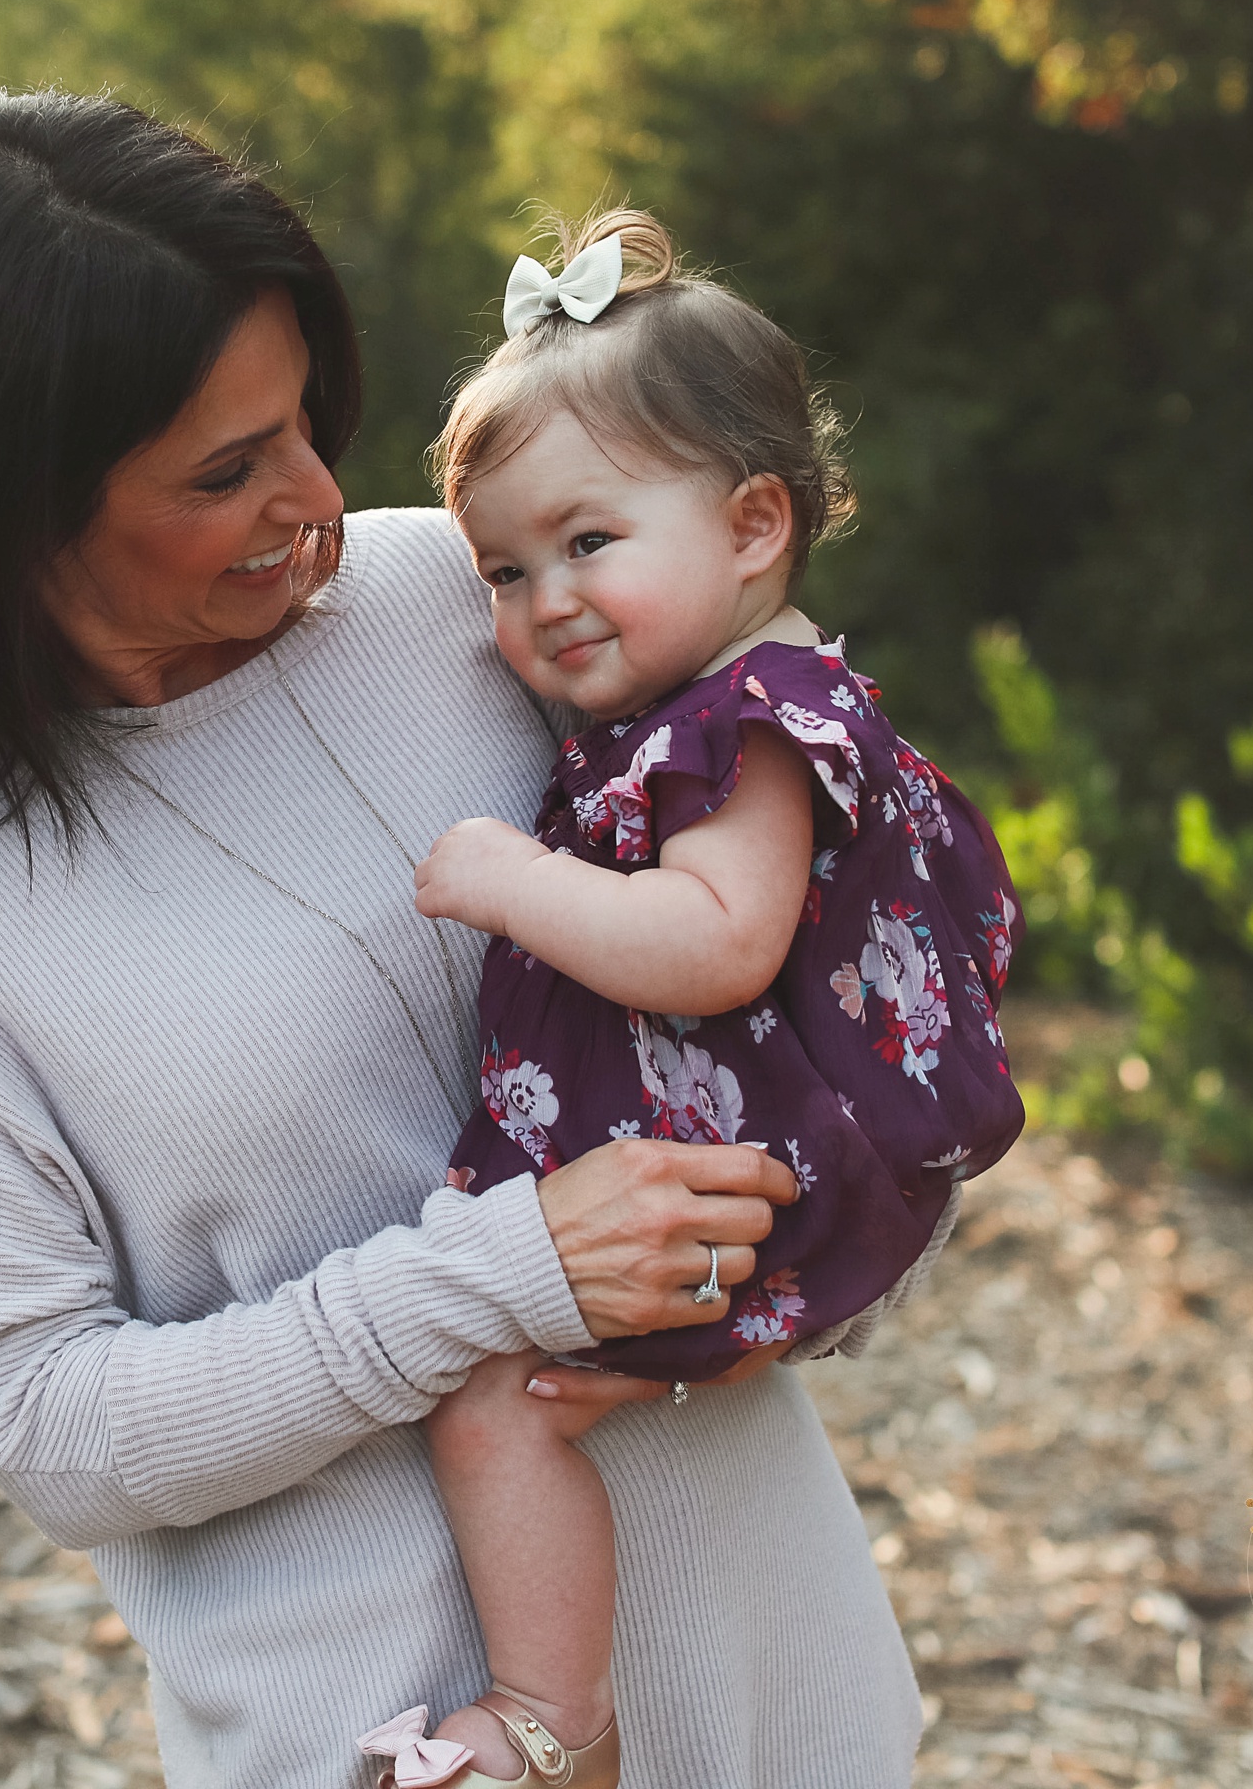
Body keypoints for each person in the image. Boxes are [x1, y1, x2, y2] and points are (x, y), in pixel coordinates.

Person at [0, 89, 936, 1788]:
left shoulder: (463, 609)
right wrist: (500, 1274)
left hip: (767, 1644)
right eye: (227, 471)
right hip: (385, 1729)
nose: (318, 496)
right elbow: (49, 1428)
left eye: (306, 418)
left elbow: (818, 965)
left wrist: (818, 1271)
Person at [357, 212, 1025, 1787]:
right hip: (714, 1180)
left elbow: (718, 942)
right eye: (505, 569)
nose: (545, 602)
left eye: (590, 543)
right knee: (521, 1399)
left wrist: (508, 878)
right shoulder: (698, 705)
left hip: (740, 1179)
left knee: (494, 1412)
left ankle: (541, 1717)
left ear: (749, 527)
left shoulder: (757, 723)